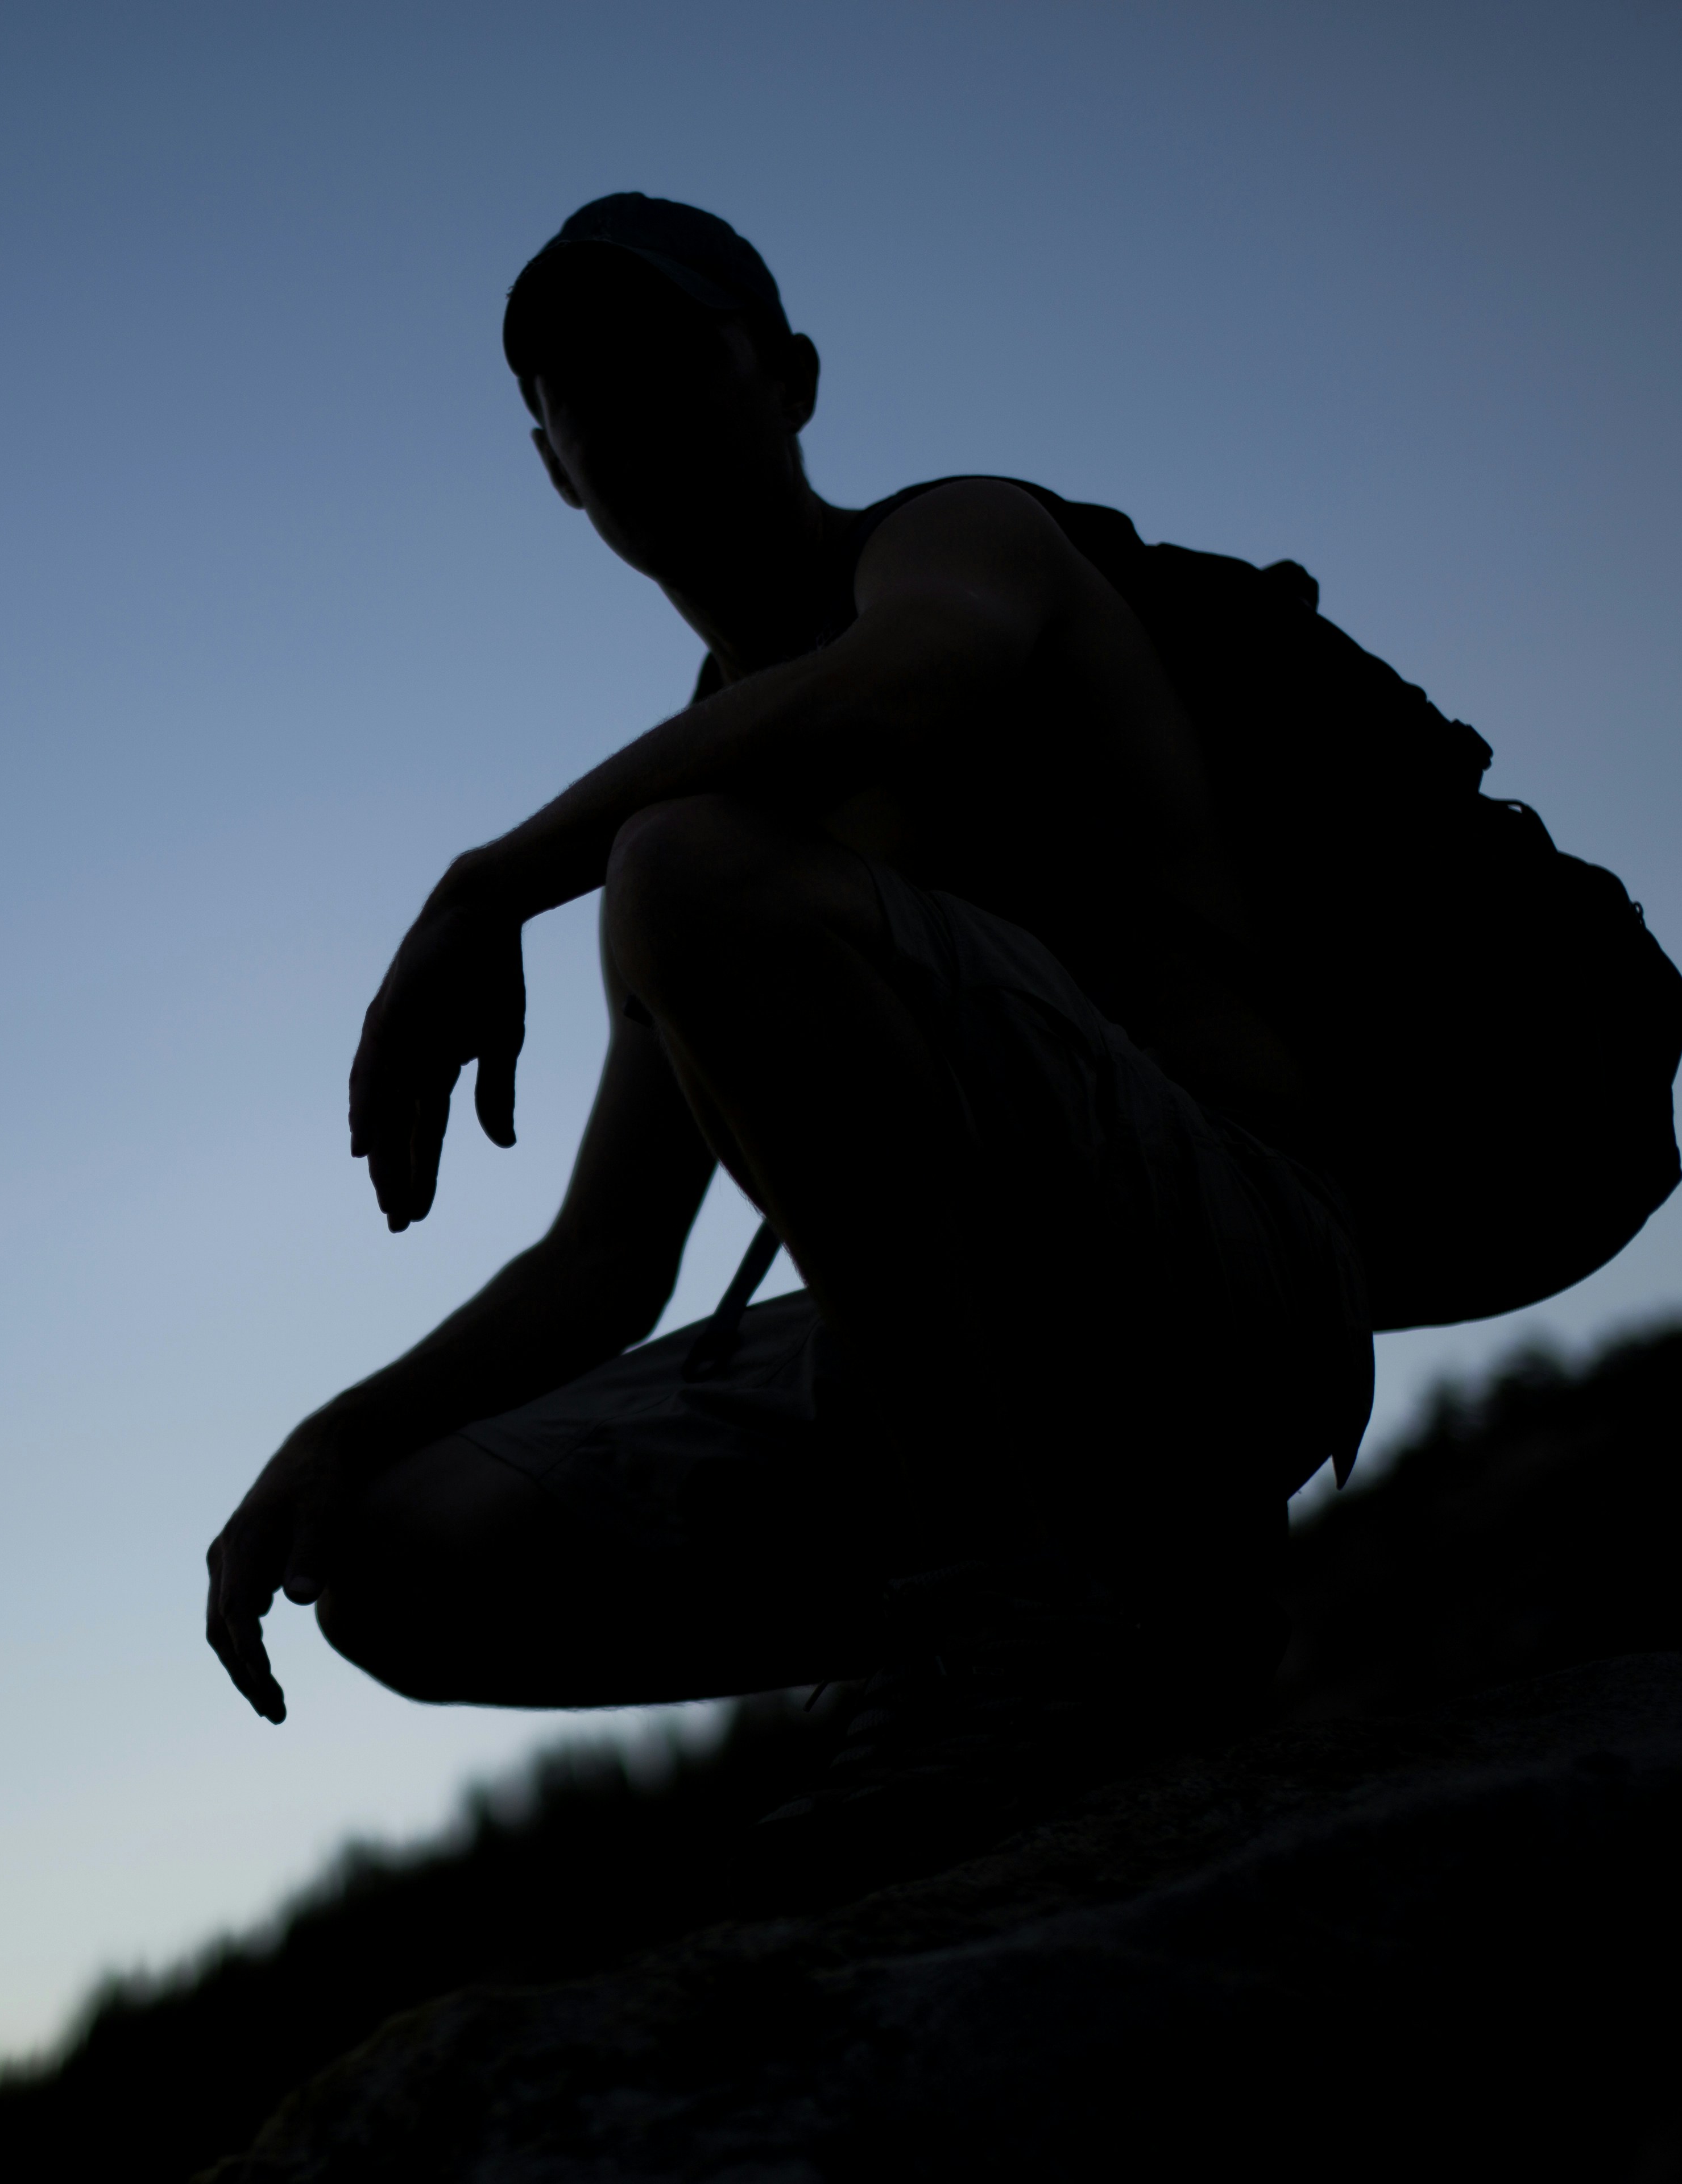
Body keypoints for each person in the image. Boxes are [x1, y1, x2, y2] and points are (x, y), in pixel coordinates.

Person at [202, 196, 1373, 1772]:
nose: (633, 412)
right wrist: (334, 1436)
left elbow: (909, 686)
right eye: (583, 394)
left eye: (674, 358)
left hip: (1225, 1282)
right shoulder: (688, 823)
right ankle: (1091, 1616)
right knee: (399, 1555)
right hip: (976, 1366)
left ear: (795, 379)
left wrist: (493, 883)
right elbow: (611, 1261)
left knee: (684, 862)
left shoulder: (956, 542)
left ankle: (1010, 1631)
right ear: (556, 469)